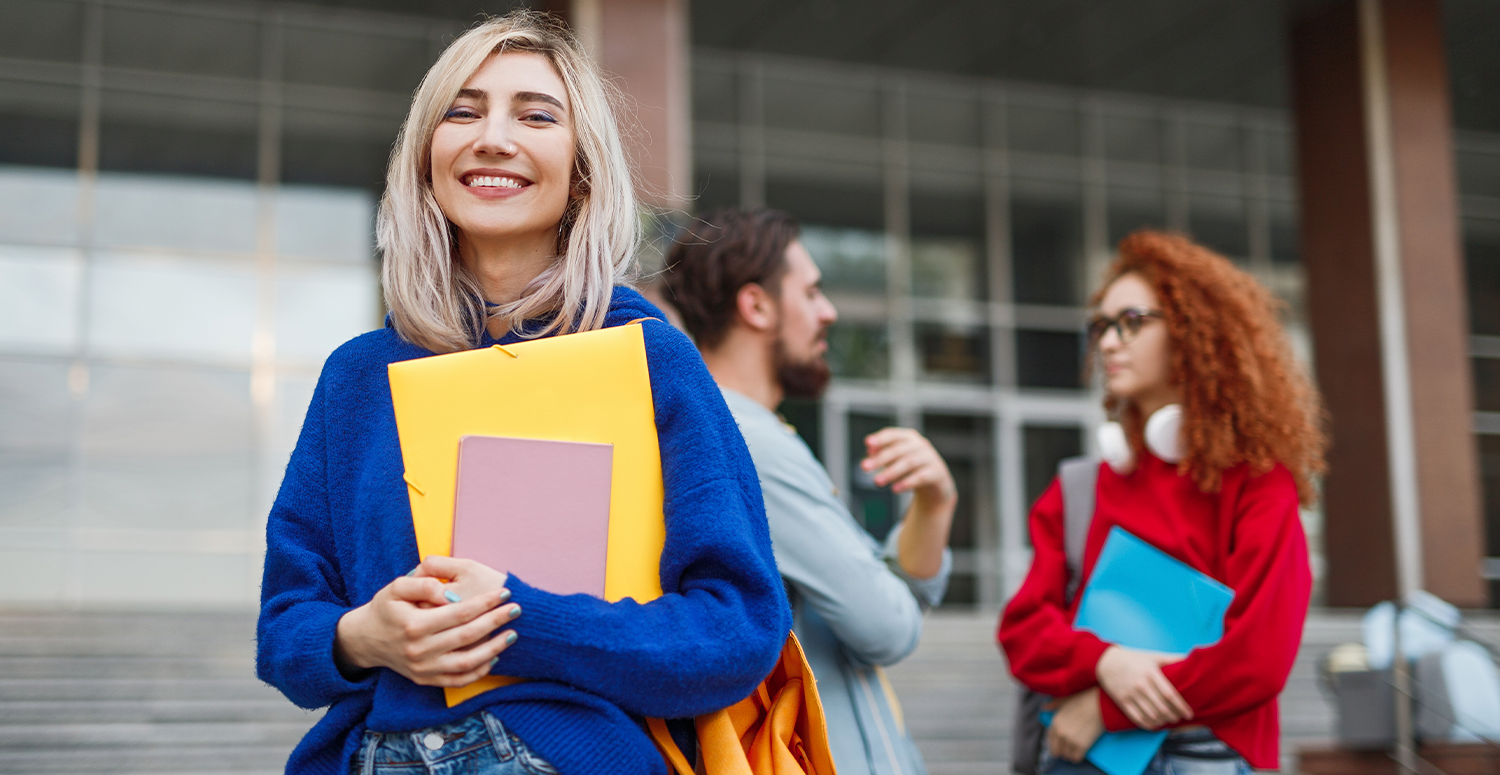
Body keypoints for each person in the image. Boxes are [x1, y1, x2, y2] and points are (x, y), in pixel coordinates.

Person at [255, 13, 790, 775]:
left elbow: (737, 628)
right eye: (462, 111)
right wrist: (360, 636)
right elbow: (285, 626)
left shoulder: (648, 359)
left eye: (536, 115)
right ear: (425, 157)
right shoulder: (357, 377)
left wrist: (520, 620)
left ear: (581, 170)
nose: (493, 138)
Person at [998, 229, 1326, 775]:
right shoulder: (1081, 489)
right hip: (1086, 761)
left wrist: (1107, 708)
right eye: (1101, 326)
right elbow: (1023, 631)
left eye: (1131, 322)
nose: (1106, 343)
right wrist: (1107, 660)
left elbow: (1258, 659)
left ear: (1195, 332)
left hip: (1201, 758)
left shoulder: (1258, 484)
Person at [661, 207, 956, 775]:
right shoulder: (751, 442)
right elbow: (886, 627)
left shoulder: (724, 430)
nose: (830, 312)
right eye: (813, 292)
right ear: (757, 306)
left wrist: (935, 501)